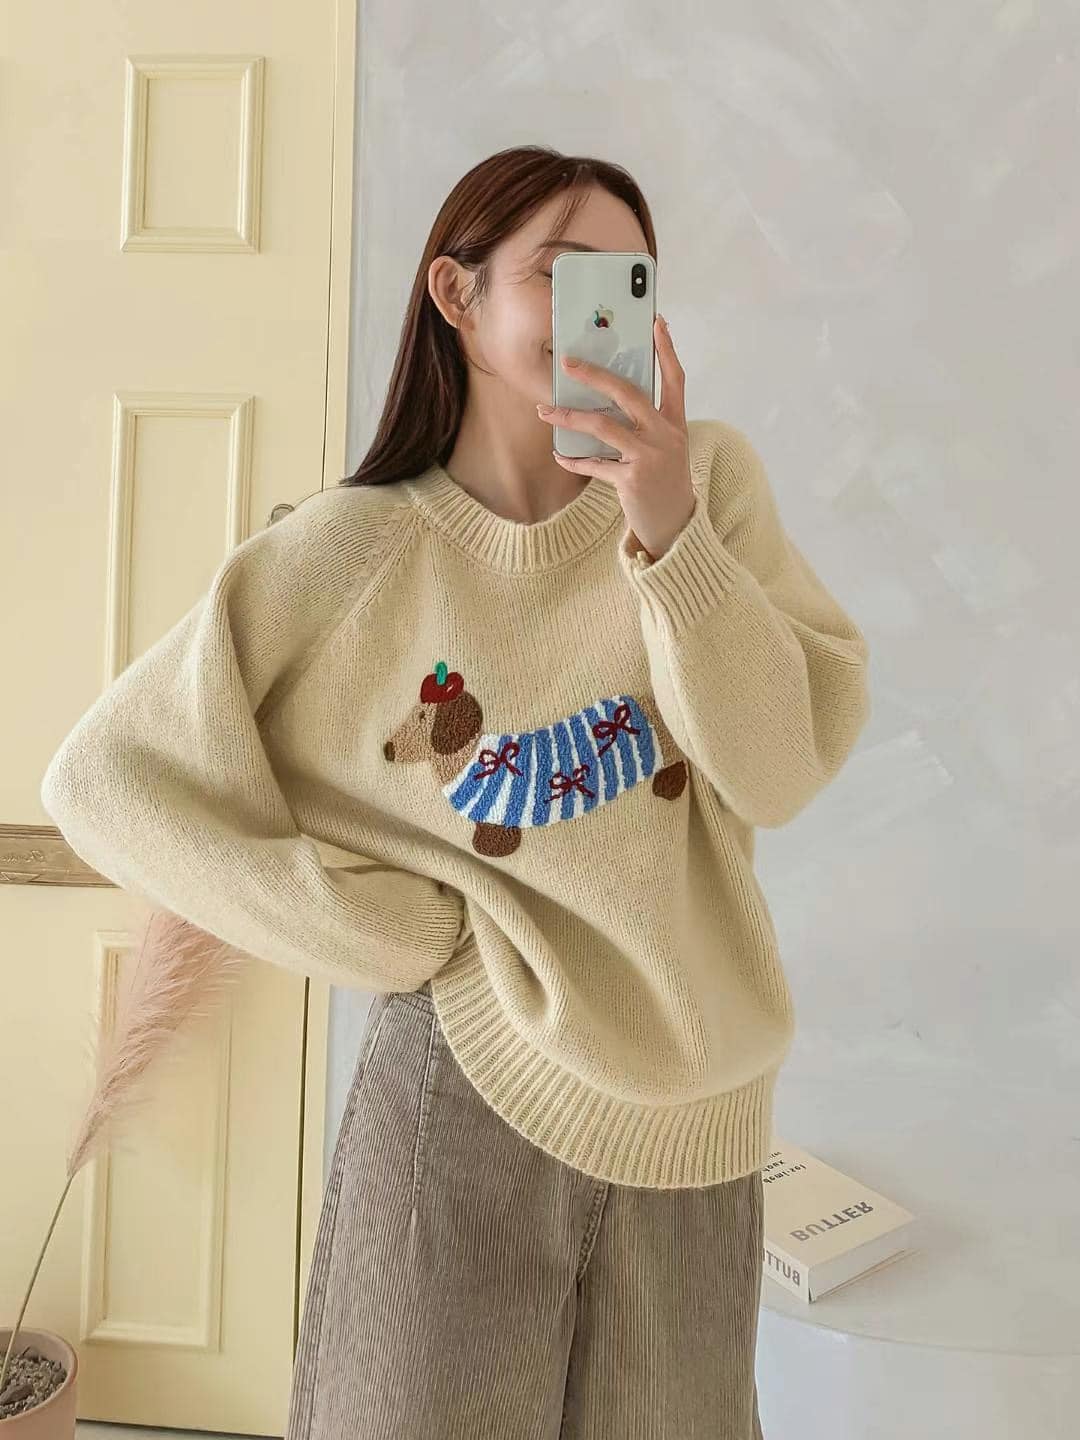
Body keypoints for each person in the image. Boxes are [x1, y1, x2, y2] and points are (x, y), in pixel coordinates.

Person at [40, 145, 871, 1438]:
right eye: (563, 273)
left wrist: (668, 532)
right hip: (465, 1107)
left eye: (630, 281)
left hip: (699, 1133)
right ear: (456, 295)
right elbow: (106, 779)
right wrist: (380, 930)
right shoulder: (354, 552)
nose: (603, 309)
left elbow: (779, 768)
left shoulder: (710, 486)